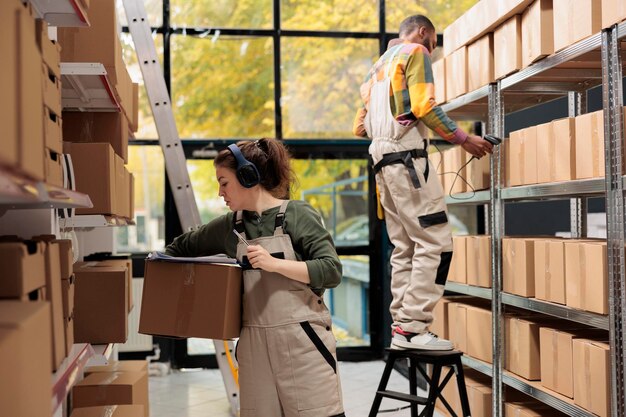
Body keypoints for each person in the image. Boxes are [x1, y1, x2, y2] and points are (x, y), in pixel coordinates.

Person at [165, 138, 346, 417]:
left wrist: (275, 264)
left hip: (303, 342)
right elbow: (178, 249)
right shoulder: (230, 226)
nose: (219, 192)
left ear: (248, 176)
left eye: (224, 182)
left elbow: (331, 270)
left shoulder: (297, 214)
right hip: (254, 347)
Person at [353, 15, 493, 350]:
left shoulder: (377, 69)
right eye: (432, 43)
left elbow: (359, 128)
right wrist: (464, 140)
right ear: (423, 32)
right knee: (436, 243)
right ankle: (413, 328)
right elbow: (423, 105)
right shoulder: (415, 52)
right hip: (407, 162)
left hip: (382, 164)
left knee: (405, 248)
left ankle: (402, 325)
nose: (431, 50)